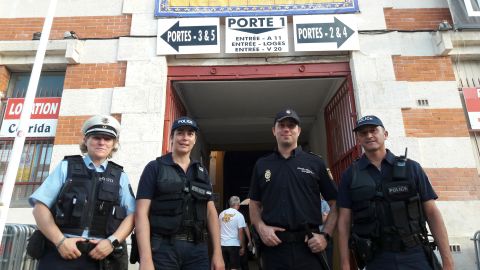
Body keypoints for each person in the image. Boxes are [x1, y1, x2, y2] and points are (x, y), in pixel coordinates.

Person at [337, 115, 455, 270]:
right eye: (363, 133)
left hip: (415, 254)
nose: (369, 135)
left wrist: (448, 261)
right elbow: (344, 222)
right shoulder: (350, 175)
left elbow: (432, 213)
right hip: (377, 259)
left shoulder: (411, 168)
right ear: (358, 139)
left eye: (373, 130)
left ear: (385, 134)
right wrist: (345, 265)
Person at [29, 115, 136, 270]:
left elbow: (133, 215)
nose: (102, 142)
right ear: (86, 140)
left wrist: (112, 242)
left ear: (114, 144)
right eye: (96, 137)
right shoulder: (66, 167)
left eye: (107, 139)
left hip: (101, 258)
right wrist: (60, 242)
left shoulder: (120, 176)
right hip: (61, 253)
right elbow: (40, 208)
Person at [249, 108, 338, 270]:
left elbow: (336, 203)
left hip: (310, 247)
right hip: (274, 247)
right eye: (281, 125)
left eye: (291, 125)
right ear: (273, 131)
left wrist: (325, 236)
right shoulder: (262, 165)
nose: (286, 129)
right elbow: (254, 204)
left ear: (299, 131)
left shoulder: (315, 163)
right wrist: (261, 228)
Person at [135, 116, 224, 270]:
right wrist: (146, 259)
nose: (185, 138)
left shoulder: (201, 172)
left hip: (197, 250)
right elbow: (141, 214)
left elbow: (211, 213)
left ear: (195, 139)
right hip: (163, 248)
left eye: (190, 134)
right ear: (172, 137)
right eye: (180, 133)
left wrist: (217, 253)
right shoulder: (155, 167)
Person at [219, 196, 249, 270]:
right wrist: (242, 246)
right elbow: (241, 232)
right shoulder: (239, 215)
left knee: (224, 267)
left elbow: (218, 228)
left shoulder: (221, 214)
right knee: (234, 267)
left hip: (222, 244)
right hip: (234, 245)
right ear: (238, 204)